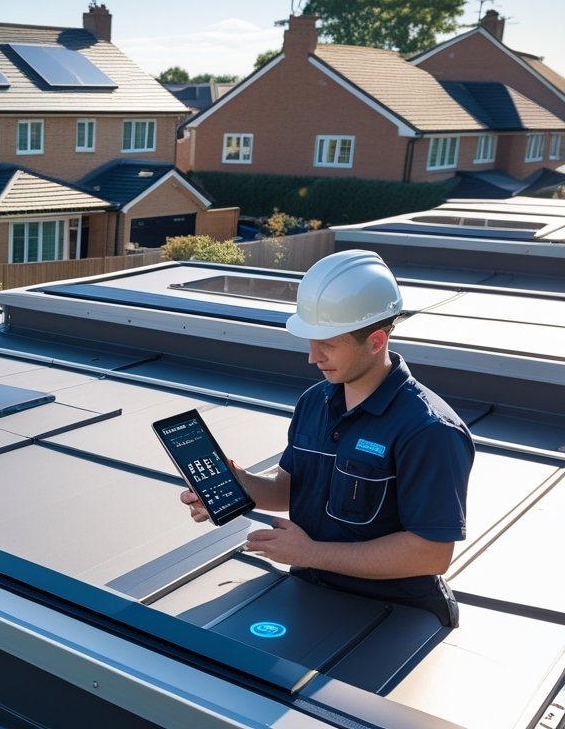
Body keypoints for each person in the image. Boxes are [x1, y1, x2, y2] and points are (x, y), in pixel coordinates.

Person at [180, 250, 473, 626]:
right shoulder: (314, 402)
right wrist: (237, 484)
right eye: (310, 341)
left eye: (328, 344)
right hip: (310, 595)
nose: (313, 357)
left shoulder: (429, 430)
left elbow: (430, 553)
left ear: (376, 340)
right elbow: (289, 490)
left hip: (394, 618)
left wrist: (310, 553)